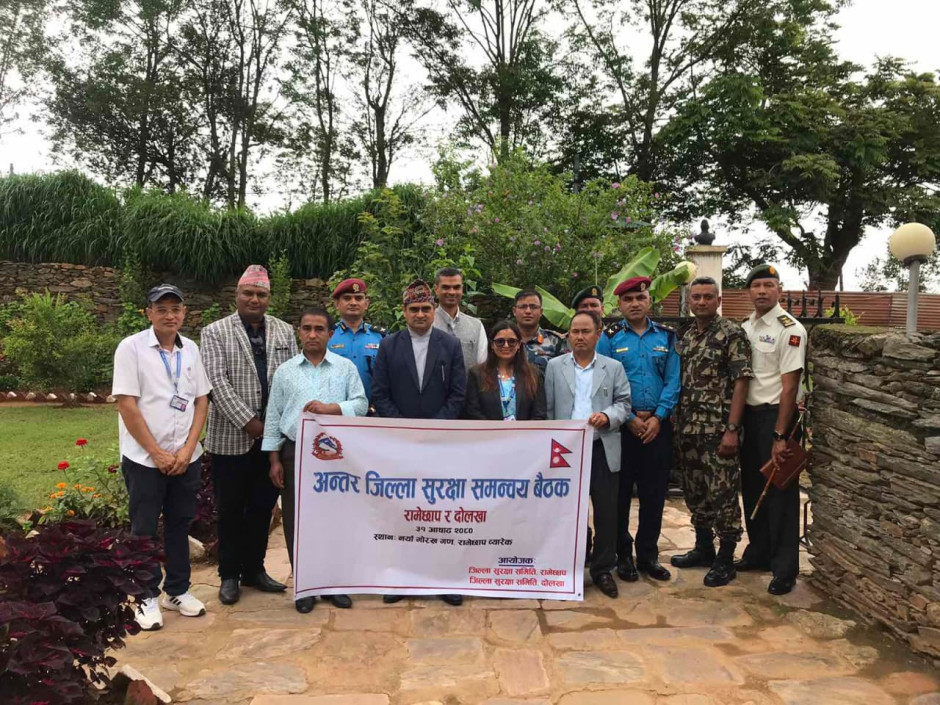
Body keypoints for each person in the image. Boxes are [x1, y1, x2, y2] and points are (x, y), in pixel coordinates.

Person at [112, 284, 211, 631]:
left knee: (179, 524)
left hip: (185, 457)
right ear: (149, 313)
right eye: (162, 309)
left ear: (184, 313)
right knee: (143, 528)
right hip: (144, 459)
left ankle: (177, 591)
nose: (170, 315)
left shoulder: (191, 349)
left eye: (176, 309)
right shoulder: (131, 348)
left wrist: (188, 449)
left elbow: (201, 400)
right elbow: (127, 404)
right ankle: (145, 595)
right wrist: (156, 452)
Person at [201, 265, 298, 606]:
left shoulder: (285, 331)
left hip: (273, 440)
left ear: (269, 298)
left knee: (262, 507)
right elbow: (216, 383)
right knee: (230, 509)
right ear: (237, 295)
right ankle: (229, 574)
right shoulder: (214, 332)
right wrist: (250, 423)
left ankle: (254, 570)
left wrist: (273, 427)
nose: (255, 300)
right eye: (249, 294)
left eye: (261, 295)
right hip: (231, 437)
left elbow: (292, 378)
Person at [262, 307, 368, 613]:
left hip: (338, 455)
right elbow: (274, 416)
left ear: (330, 334)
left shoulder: (345, 368)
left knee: (336, 519)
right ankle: (305, 585)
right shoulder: (285, 372)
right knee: (298, 519)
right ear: (298, 331)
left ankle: (334, 583)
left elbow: (361, 404)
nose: (312, 334)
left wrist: (332, 408)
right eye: (306, 328)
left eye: (319, 329)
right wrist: (274, 460)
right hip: (295, 451)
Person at [372, 279, 467, 605]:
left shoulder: (450, 345)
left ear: (434, 309)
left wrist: (435, 428)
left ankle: (445, 578)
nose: (421, 314)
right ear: (404, 311)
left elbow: (458, 394)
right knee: (402, 511)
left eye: (426, 308)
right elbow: (380, 394)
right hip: (401, 444)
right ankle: (401, 578)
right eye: (414, 309)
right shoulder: (389, 346)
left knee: (440, 512)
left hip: (441, 443)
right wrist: (405, 430)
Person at [671, 277, 753, 587]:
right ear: (689, 301)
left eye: (708, 297)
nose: (701, 302)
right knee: (695, 491)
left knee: (723, 494)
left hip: (717, 429)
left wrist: (732, 429)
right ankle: (703, 546)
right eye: (696, 297)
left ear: (718, 300)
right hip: (688, 428)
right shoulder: (687, 335)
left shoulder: (732, 334)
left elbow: (742, 382)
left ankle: (726, 557)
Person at [597, 276, 680, 583]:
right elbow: (603, 383)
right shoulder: (610, 338)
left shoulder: (667, 337)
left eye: (640, 298)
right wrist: (629, 418)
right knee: (619, 496)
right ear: (619, 304)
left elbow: (673, 380)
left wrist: (659, 416)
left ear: (649, 301)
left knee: (654, 494)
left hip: (658, 428)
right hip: (622, 429)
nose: (634, 304)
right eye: (628, 299)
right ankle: (622, 555)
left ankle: (648, 555)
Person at [544, 310, 630, 599]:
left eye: (586, 331)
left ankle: (603, 569)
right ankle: (571, 566)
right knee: (569, 512)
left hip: (601, 446)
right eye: (575, 332)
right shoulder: (554, 367)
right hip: (566, 451)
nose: (579, 337)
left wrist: (607, 416)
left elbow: (624, 404)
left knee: (606, 511)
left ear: (598, 334)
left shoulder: (613, 367)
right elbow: (548, 409)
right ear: (568, 335)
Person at [738, 264, 807, 596]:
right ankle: (759, 553)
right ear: (749, 292)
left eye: (769, 285)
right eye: (756, 286)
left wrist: (780, 435)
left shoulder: (789, 329)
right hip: (749, 418)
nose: (762, 291)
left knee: (780, 494)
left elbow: (790, 386)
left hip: (775, 418)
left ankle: (784, 569)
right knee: (752, 488)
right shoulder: (746, 326)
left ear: (779, 289)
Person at [463, 320, 546, 421]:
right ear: (492, 345)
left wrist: (522, 430)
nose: (506, 345)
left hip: (526, 431)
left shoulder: (534, 375)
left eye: (512, 341)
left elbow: (539, 413)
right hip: (487, 430)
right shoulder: (476, 374)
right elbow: (473, 411)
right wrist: (496, 429)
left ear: (519, 344)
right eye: (500, 342)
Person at [328, 278, 386, 402]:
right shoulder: (327, 336)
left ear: (366, 303)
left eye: (358, 298)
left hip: (374, 409)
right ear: (337, 304)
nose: (353, 303)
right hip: (336, 409)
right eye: (347, 298)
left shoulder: (381, 337)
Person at [433, 267, 488, 373]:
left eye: (456, 287)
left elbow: (482, 366)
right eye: (446, 287)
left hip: (467, 383)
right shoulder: (427, 324)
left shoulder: (476, 326)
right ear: (436, 289)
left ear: (462, 289)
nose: (452, 292)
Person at [512, 290, 566, 373]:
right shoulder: (503, 341)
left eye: (533, 307)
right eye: (523, 307)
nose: (528, 311)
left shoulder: (555, 341)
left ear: (541, 312)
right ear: (514, 311)